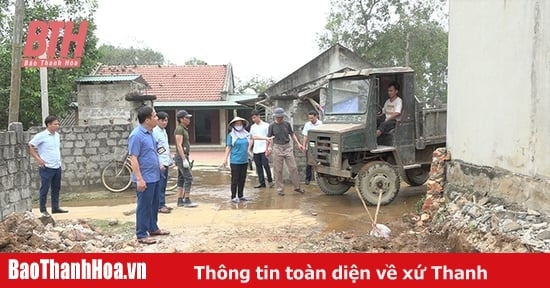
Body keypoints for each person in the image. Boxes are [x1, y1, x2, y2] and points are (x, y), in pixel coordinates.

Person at [128, 106, 170, 245]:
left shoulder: (150, 133)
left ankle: (153, 228)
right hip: (145, 177)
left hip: (155, 175)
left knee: (154, 204)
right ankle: (141, 234)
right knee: (144, 206)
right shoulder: (136, 135)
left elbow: (152, 152)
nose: (157, 118)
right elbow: (134, 158)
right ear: (147, 120)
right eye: (154, 116)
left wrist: (158, 165)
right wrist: (139, 179)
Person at [28, 115, 68, 217]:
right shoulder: (42, 136)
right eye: (55, 124)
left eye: (58, 124)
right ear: (48, 125)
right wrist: (38, 159)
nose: (57, 126)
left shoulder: (57, 135)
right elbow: (31, 145)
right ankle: (43, 210)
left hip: (57, 166)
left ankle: (55, 207)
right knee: (45, 188)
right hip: (46, 167)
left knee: (56, 188)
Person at [265, 107, 306, 196]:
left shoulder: (287, 124)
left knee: (293, 167)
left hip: (287, 147)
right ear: (275, 117)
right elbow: (269, 138)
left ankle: (297, 187)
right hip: (277, 147)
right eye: (278, 117)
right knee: (278, 170)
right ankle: (280, 189)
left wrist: (298, 144)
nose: (280, 118)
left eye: (281, 117)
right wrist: (267, 149)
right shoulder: (272, 126)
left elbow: (292, 134)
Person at [222, 117, 253, 203]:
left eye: (240, 123)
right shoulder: (231, 135)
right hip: (235, 160)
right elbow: (228, 147)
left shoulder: (246, 134)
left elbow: (253, 139)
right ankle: (233, 196)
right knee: (235, 179)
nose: (239, 125)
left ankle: (241, 195)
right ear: (233, 125)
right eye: (237, 123)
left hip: (244, 160)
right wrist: (225, 159)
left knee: (242, 178)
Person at [174, 110, 198, 208]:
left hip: (184, 155)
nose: (188, 120)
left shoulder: (184, 129)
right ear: (181, 119)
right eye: (186, 118)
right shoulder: (179, 129)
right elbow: (179, 145)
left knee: (181, 178)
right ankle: (186, 199)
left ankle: (180, 200)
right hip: (181, 156)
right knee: (188, 177)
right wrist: (184, 159)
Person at [152, 111, 173, 214]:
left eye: (166, 120)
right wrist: (159, 163)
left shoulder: (163, 131)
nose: (165, 122)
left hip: (165, 161)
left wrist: (170, 159)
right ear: (158, 121)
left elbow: (165, 148)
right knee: (160, 184)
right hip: (160, 163)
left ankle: (162, 203)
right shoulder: (155, 132)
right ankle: (160, 205)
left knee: (164, 184)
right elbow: (155, 149)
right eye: (162, 120)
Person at [249, 110, 274, 188]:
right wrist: (249, 148)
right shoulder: (252, 127)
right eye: (252, 118)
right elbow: (251, 138)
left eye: (255, 117)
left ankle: (270, 181)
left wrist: (269, 147)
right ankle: (261, 182)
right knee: (258, 166)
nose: (254, 120)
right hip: (256, 149)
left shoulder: (266, 125)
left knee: (266, 165)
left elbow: (270, 137)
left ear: (258, 116)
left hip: (264, 148)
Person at [301, 110, 322, 185]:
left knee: (319, 163)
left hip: (319, 146)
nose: (311, 120)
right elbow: (305, 136)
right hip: (309, 147)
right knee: (309, 163)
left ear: (316, 116)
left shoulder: (321, 124)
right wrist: (303, 145)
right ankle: (308, 179)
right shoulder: (307, 124)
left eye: (312, 118)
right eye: (309, 118)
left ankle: (320, 180)